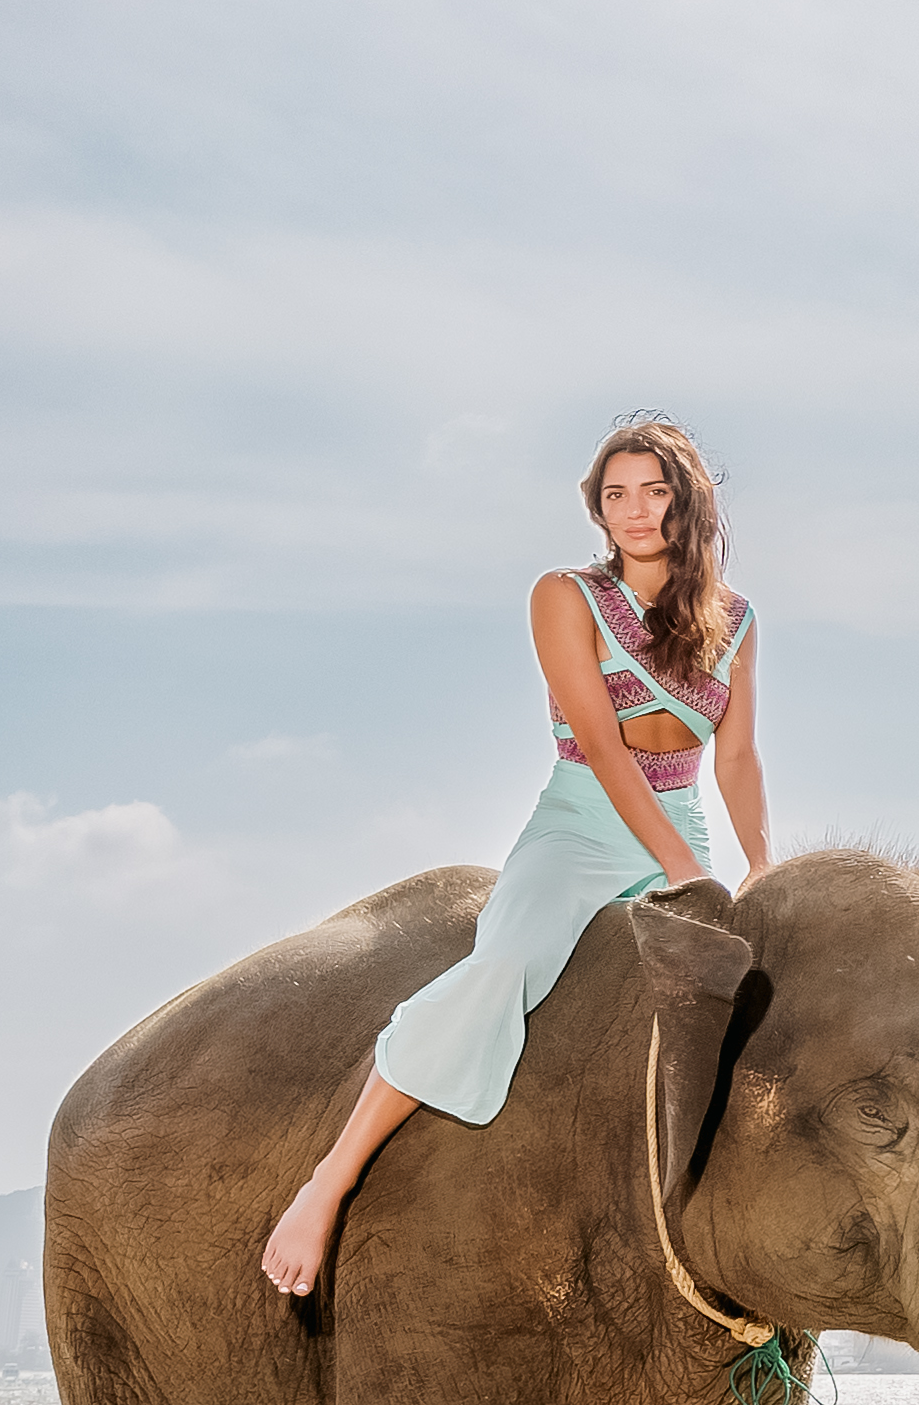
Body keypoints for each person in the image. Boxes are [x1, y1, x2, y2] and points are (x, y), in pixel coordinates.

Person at [263, 415, 774, 1299]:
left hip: (681, 826)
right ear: (598, 509)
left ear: (686, 502)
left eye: (653, 490)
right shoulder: (563, 595)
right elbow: (606, 751)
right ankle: (329, 1180)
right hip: (580, 821)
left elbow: (734, 756)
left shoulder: (736, 620)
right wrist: (688, 877)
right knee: (502, 966)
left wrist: (760, 867)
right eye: (616, 494)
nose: (635, 510)